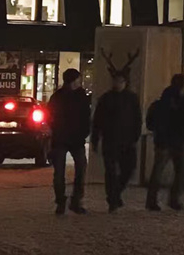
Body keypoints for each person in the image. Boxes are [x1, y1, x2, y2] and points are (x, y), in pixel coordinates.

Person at [91, 71, 142, 213]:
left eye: (121, 81)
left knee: (128, 169)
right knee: (111, 171)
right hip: (110, 140)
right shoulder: (106, 98)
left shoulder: (131, 98)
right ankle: (112, 198)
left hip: (127, 140)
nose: (118, 84)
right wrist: (95, 139)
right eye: (116, 81)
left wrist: (135, 137)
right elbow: (97, 121)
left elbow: (137, 119)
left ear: (125, 83)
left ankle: (115, 193)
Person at [145, 73, 184, 212]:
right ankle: (173, 200)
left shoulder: (161, 103)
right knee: (180, 172)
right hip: (176, 141)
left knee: (158, 172)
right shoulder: (183, 103)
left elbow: (150, 123)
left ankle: (152, 200)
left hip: (163, 141)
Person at [47, 68, 91, 215]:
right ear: (73, 80)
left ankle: (68, 202)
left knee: (70, 171)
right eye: (78, 79)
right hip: (66, 138)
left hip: (70, 138)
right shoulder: (75, 97)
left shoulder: (60, 97)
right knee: (67, 171)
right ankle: (68, 201)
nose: (80, 82)